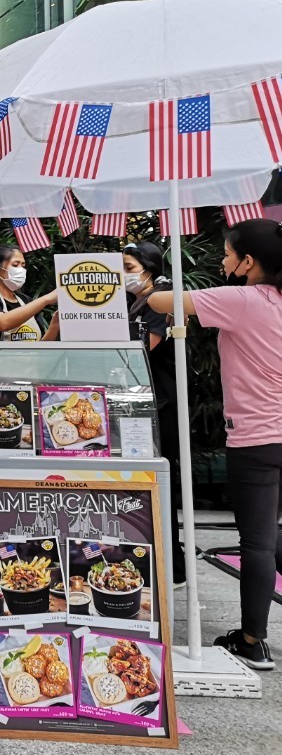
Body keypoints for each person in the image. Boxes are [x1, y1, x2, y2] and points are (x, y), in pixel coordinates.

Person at [147, 219, 282, 670]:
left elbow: (160, 301)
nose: (223, 262)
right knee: (269, 537)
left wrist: (158, 288)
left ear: (248, 262)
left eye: (227, 255)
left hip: (257, 439)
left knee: (257, 543)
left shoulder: (244, 299)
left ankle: (252, 641)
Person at [123, 241, 185, 585]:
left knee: (160, 481)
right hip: (144, 403)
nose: (124, 275)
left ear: (149, 268)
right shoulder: (135, 301)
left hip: (161, 403)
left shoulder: (161, 298)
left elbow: (144, 349)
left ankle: (172, 563)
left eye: (129, 268)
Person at [0, 245, 60, 342]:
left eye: (23, 265)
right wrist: (46, 299)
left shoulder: (26, 300)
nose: (20, 270)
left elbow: (40, 347)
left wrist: (55, 325)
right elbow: (3, 323)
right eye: (15, 265)